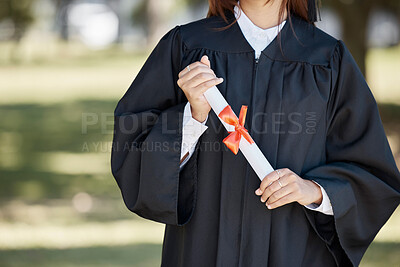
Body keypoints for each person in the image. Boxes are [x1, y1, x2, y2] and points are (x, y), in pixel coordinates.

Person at [111, 0, 400, 266]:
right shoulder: (186, 46)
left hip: (296, 250)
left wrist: (313, 191)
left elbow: (372, 171)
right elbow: (134, 151)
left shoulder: (327, 59)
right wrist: (193, 115)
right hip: (203, 248)